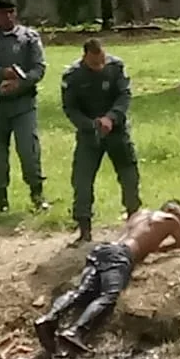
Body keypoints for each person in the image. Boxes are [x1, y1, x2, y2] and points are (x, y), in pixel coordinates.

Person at [33, 200, 180, 355]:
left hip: (104, 249)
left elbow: (150, 246)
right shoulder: (171, 220)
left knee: (81, 291)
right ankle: (76, 331)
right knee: (109, 295)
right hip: (120, 256)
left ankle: (50, 317)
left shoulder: (141, 214)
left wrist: (168, 247)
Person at [0, 0, 49, 212]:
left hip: (23, 104)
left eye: (10, 12)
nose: (7, 17)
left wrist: (19, 83)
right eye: (2, 13)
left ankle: (37, 194)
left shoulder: (29, 37)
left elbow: (39, 68)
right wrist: (1, 73)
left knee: (28, 149)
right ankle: (0, 199)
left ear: (16, 12)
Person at [61, 38, 141, 246]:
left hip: (116, 131)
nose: (99, 66)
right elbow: (70, 108)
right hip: (89, 134)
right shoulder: (73, 76)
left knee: (128, 174)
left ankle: (134, 219)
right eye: (94, 63)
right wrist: (90, 124)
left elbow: (124, 96)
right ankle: (84, 228)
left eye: (102, 61)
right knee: (82, 178)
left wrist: (111, 118)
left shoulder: (115, 68)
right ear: (84, 56)